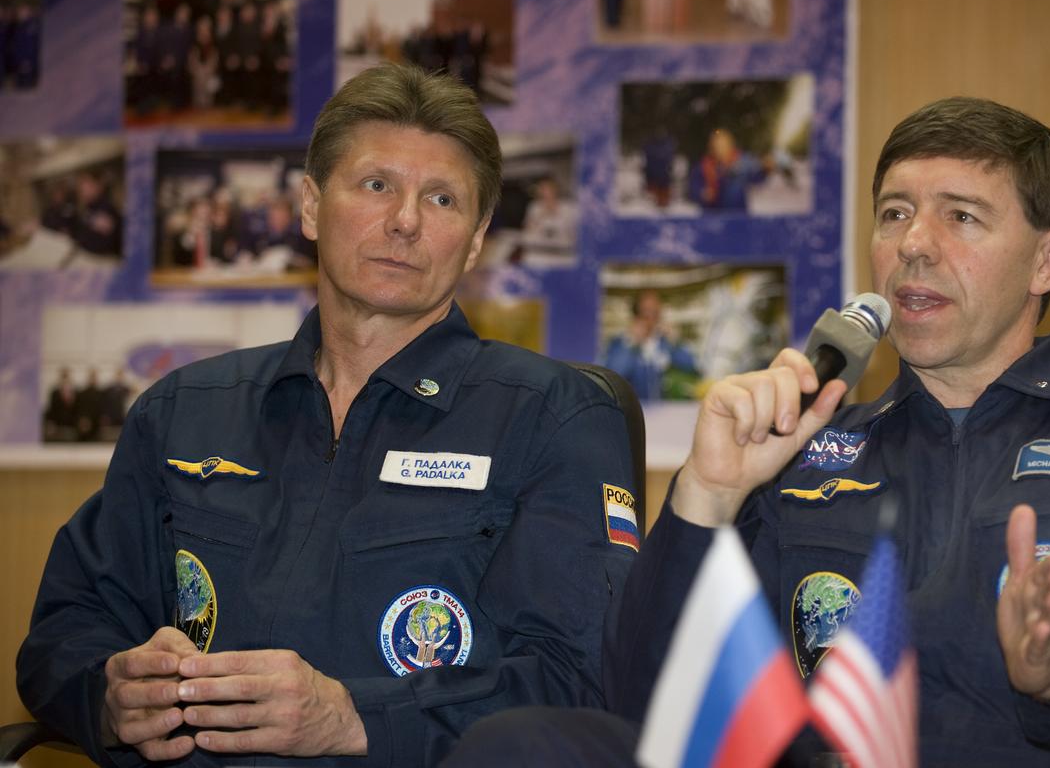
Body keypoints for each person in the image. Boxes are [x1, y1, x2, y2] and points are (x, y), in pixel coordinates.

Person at [450, 97, 1050, 766]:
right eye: (895, 213)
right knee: (524, 745)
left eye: (961, 217)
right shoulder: (803, 452)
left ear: (1048, 260)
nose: (914, 245)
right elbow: (648, 703)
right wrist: (706, 496)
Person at [18, 63, 639, 766]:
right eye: (377, 185)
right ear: (311, 206)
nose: (405, 220)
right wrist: (109, 693)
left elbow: (583, 678)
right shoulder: (181, 410)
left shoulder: (555, 417)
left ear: (474, 239)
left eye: (441, 199)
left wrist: (353, 717)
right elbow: (63, 631)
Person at [600, 289, 700, 401]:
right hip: (633, 410)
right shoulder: (621, 342)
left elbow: (692, 366)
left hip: (664, 410)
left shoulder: (665, 342)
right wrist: (631, 343)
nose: (651, 318)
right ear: (636, 314)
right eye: (646, 312)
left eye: (655, 312)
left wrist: (675, 342)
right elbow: (614, 373)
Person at [687, 128, 771, 212]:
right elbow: (692, 190)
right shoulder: (703, 166)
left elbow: (756, 177)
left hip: (737, 216)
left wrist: (765, 169)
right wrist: (702, 194)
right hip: (712, 216)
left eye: (723, 144)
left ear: (730, 144)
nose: (720, 148)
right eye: (717, 145)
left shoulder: (742, 162)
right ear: (711, 146)